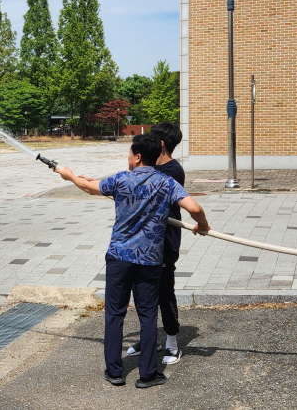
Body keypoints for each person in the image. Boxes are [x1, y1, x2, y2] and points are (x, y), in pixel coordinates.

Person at [55, 134, 209, 388]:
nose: (127, 158)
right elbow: (194, 208)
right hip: (149, 260)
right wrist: (202, 225)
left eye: (129, 154)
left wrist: (68, 174)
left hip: (119, 258)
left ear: (137, 157)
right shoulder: (166, 182)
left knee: (115, 313)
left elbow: (89, 188)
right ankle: (147, 375)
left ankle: (115, 372)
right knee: (148, 315)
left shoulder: (121, 179)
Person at [128, 122, 186, 364]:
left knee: (164, 292)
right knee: (143, 293)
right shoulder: (150, 168)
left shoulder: (172, 171)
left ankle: (172, 341)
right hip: (142, 240)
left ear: (160, 144)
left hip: (165, 241)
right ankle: (148, 337)